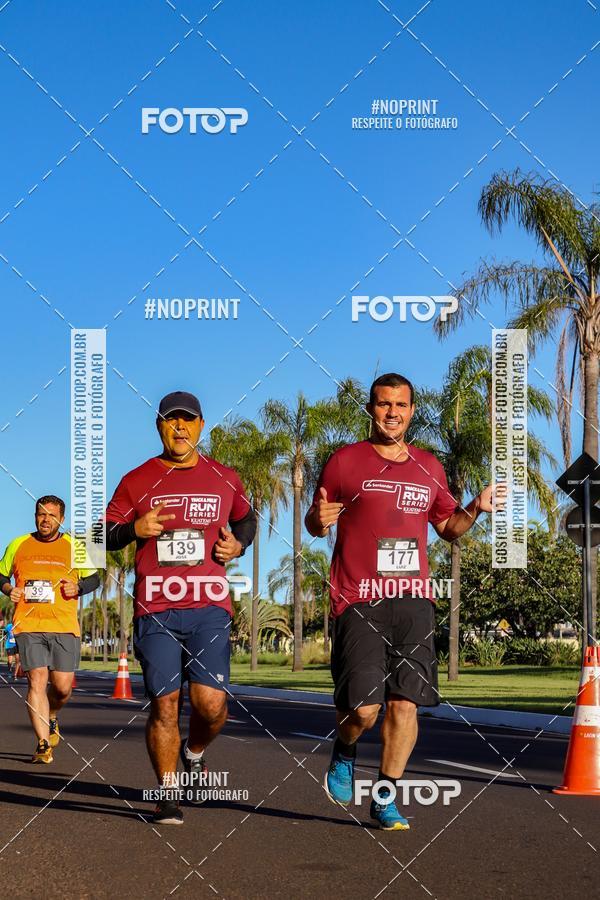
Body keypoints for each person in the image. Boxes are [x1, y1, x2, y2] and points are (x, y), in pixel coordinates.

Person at [305, 373, 494, 831]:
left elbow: (447, 527)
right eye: (384, 403)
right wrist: (317, 519)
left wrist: (475, 506)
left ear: (412, 411)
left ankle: (385, 796)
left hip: (413, 600)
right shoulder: (344, 462)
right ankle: (345, 748)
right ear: (371, 408)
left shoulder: (429, 467)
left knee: (405, 704)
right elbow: (316, 520)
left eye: (401, 405)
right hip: (359, 599)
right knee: (363, 711)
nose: (392, 412)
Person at [105, 391, 256, 826]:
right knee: (165, 703)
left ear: (201, 426)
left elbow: (246, 518)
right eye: (171, 420)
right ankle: (168, 793)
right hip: (156, 608)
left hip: (210, 606)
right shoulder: (137, 479)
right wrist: (133, 528)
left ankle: (194, 752)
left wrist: (239, 543)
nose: (179, 427)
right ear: (159, 427)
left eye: (187, 420)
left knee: (210, 705)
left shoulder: (224, 477)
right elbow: (101, 534)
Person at [0, 496, 100, 762]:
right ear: (35, 516)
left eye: (52, 515)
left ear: (61, 519)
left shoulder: (74, 546)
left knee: (63, 687)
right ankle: (43, 744)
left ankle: (52, 714)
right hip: (29, 624)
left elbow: (94, 578)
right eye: (41, 514)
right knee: (37, 680)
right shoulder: (18, 544)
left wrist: (78, 587)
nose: (46, 520)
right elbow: (1, 575)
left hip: (64, 625)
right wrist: (9, 589)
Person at [3, 616, 19, 681]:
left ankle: (15, 675)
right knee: (10, 661)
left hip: (17, 645)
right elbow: (5, 632)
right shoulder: (9, 626)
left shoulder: (19, 625)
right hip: (9, 645)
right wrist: (5, 637)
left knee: (18, 660)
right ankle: (9, 670)